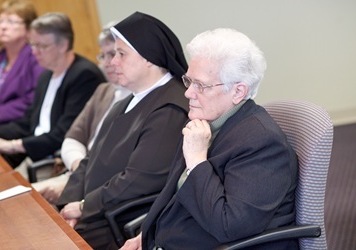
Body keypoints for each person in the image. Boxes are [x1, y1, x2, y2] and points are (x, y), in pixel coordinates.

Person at [120, 28, 299, 250]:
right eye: (188, 81)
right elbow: (175, 193)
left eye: (201, 85)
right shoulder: (203, 124)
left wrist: (196, 161)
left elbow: (228, 226)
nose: (188, 93)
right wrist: (147, 235)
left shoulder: (263, 144)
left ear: (238, 91)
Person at [57, 12, 189, 249]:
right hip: (92, 215)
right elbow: (90, 159)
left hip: (117, 224)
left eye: (121, 54)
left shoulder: (172, 107)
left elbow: (139, 180)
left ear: (149, 57)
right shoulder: (126, 101)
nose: (112, 62)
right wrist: (68, 205)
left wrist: (84, 207)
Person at [0, 12, 105, 168]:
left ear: (63, 45)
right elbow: (27, 122)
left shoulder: (84, 75)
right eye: (33, 44)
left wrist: (10, 145)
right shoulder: (46, 75)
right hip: (35, 154)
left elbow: (65, 133)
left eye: (42, 46)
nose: (34, 51)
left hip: (58, 160)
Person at [32, 23, 131, 204]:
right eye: (103, 55)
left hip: (102, 186)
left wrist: (83, 175)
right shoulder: (103, 90)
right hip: (79, 172)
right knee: (25, 199)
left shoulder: (137, 97)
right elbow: (72, 137)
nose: (109, 63)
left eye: (115, 54)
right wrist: (79, 166)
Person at [0, 0, 44, 127]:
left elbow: (35, 99)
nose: (3, 27)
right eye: (0, 21)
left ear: (29, 29)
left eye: (11, 21)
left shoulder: (36, 58)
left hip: (16, 128)